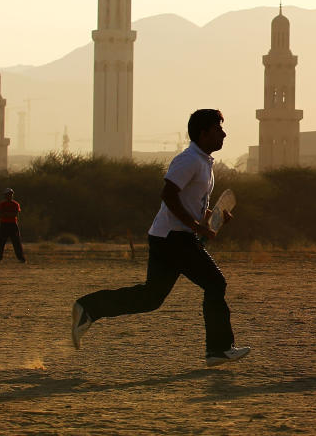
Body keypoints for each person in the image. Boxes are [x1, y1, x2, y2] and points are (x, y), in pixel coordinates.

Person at [70, 109, 250, 367]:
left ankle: (88, 309)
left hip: (167, 237)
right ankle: (219, 349)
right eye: (218, 128)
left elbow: (189, 202)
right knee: (215, 284)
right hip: (174, 238)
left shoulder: (203, 163)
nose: (223, 133)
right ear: (203, 133)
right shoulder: (188, 160)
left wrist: (213, 217)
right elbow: (168, 194)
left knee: (150, 298)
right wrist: (195, 226)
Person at [0, 188, 26, 263]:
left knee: (17, 242)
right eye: (8, 194)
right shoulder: (2, 204)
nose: (10, 196)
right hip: (4, 225)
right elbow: (0, 215)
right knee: (1, 243)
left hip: (13, 225)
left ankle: (21, 259)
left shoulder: (15, 204)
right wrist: (9, 214)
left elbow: (15, 214)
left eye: (11, 194)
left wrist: (5, 214)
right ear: (5, 196)